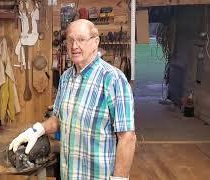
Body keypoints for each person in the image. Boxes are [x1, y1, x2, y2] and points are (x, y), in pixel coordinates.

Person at [9, 19, 136, 180]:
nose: (74, 46)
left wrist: (120, 178)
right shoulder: (66, 77)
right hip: (68, 173)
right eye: (70, 40)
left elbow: (127, 137)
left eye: (81, 39)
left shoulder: (113, 79)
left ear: (95, 42)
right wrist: (36, 130)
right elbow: (58, 120)